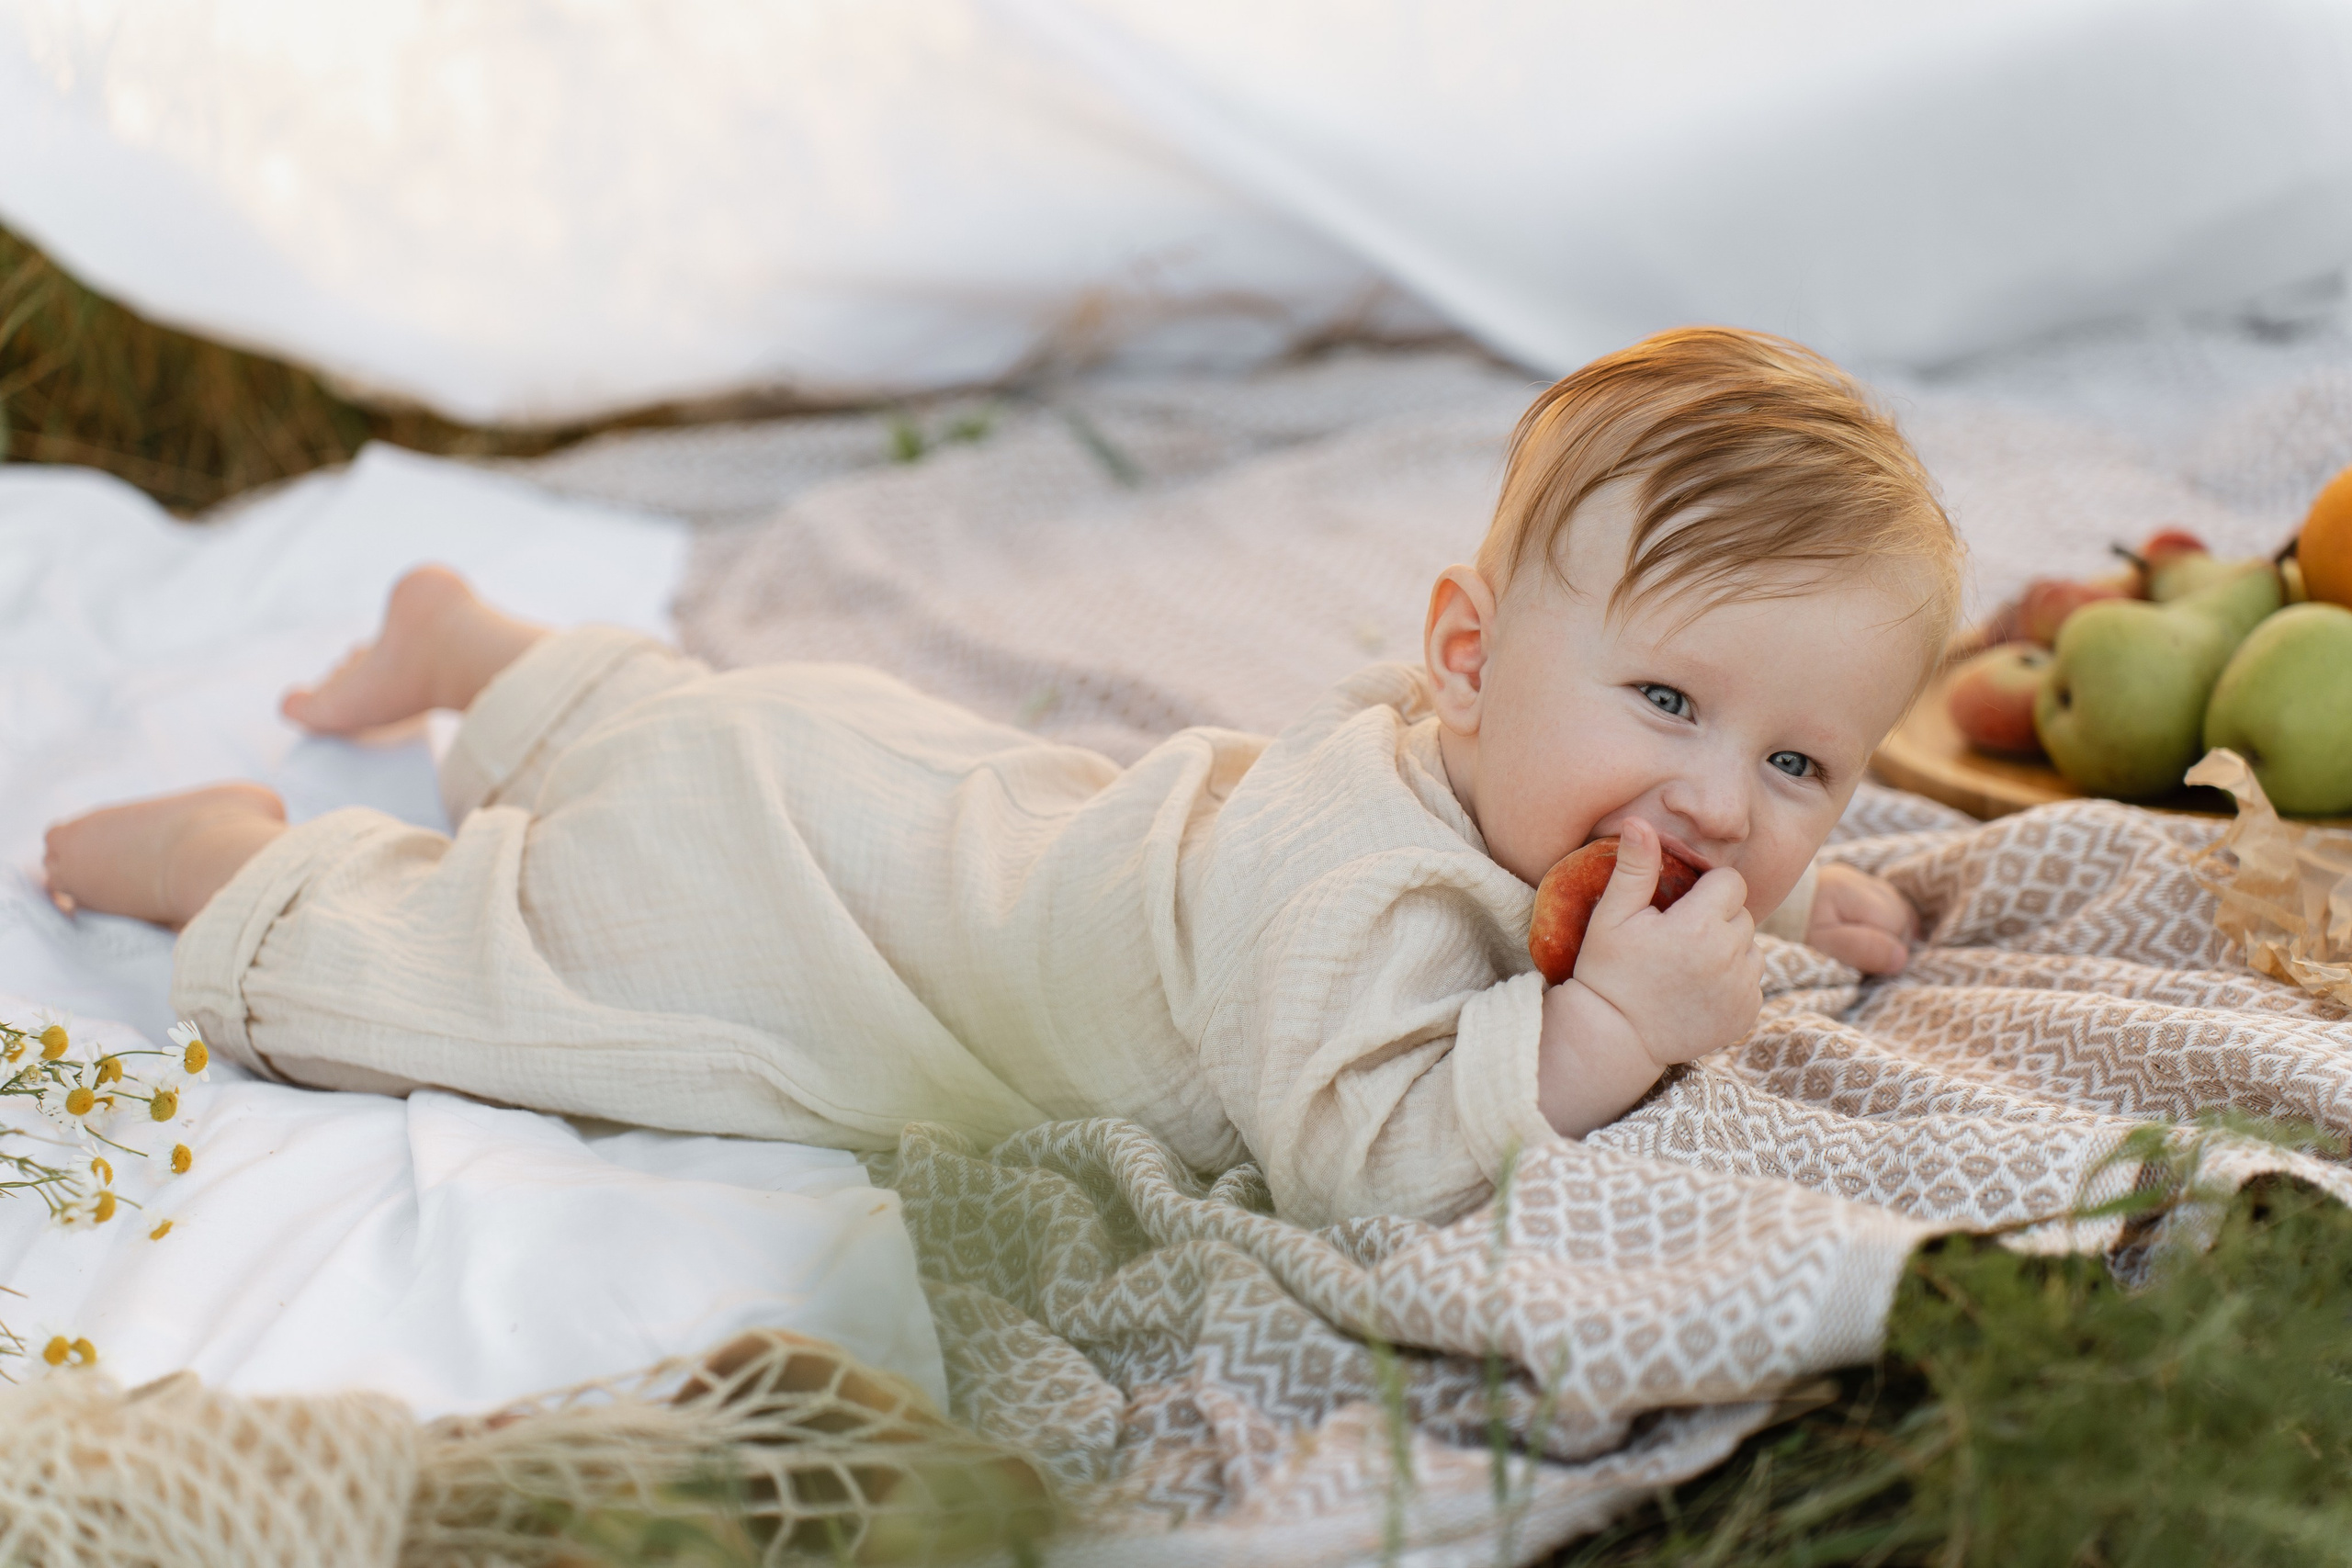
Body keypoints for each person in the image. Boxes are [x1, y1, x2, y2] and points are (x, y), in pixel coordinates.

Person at [42, 327, 1956, 1227]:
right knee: (515, 964)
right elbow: (1366, 1156)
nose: (1716, 801)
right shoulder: (1346, 889)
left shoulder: (1503, 754)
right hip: (829, 928)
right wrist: (1605, 1025)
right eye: (1667, 703)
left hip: (899, 787)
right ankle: (242, 864)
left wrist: (1775, 883)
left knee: (695, 724)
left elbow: (1637, 787)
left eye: (1797, 758)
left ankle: (478, 649)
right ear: (1467, 659)